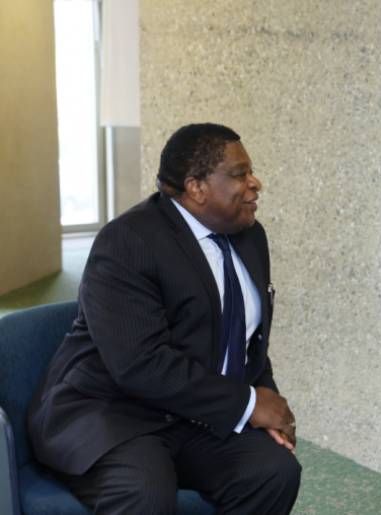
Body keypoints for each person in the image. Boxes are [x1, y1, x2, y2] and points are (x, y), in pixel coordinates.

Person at [28, 123, 301, 514]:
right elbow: (139, 364)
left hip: (194, 413)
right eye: (240, 175)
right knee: (145, 492)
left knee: (274, 472)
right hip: (114, 410)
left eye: (251, 172)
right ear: (196, 188)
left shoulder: (249, 235)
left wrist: (265, 401)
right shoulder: (127, 241)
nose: (255, 184)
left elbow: (245, 336)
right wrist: (248, 403)